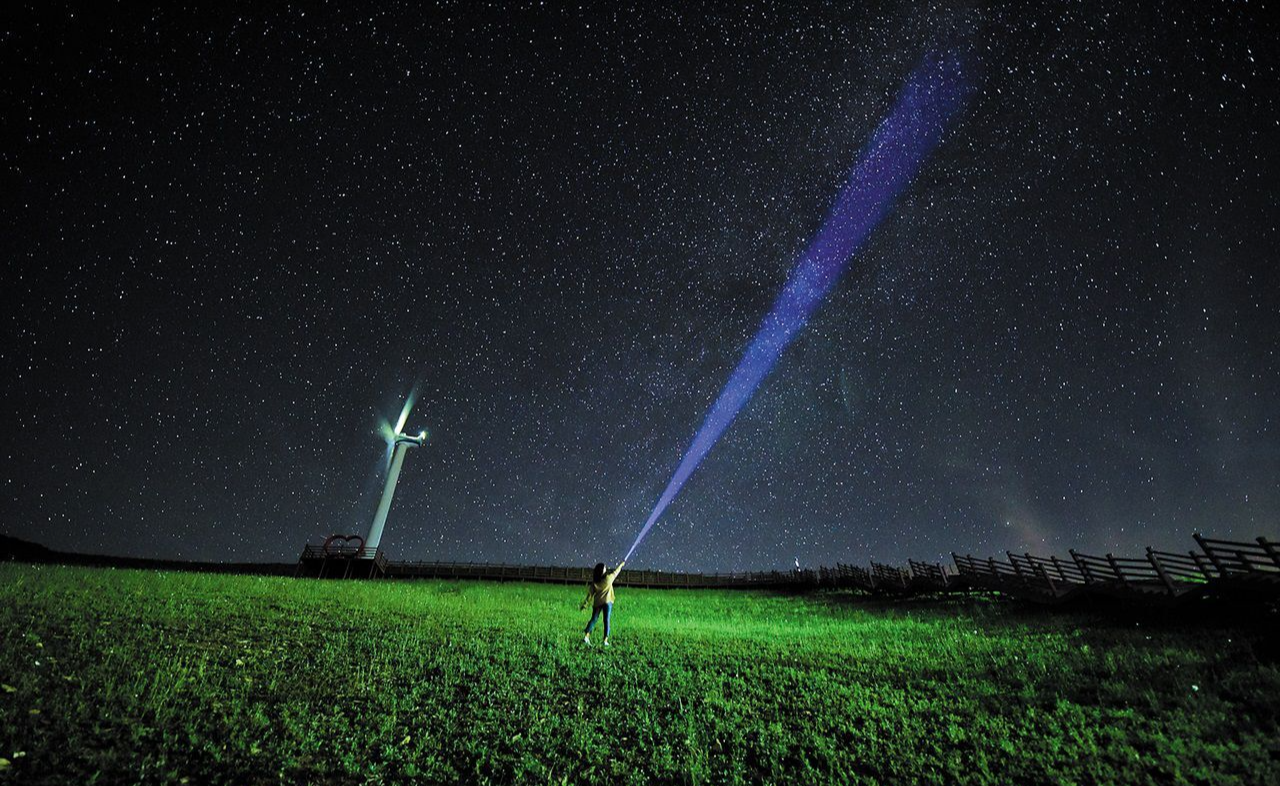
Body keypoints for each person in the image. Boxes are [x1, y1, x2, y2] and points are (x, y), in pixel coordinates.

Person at [579, 560, 625, 646]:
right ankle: (605, 640)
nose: (606, 568)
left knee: (594, 619)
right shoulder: (608, 578)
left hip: (597, 603)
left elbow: (590, 595)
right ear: (602, 571)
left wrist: (585, 605)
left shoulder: (594, 583)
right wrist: (621, 564)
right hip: (607, 602)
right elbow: (616, 572)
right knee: (606, 620)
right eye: (604, 568)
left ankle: (586, 636)